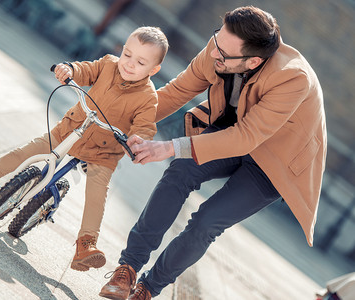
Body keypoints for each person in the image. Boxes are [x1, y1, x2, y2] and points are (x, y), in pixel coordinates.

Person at [100, 6, 326, 300]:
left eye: (223, 52)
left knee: (208, 221)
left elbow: (247, 137)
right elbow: (176, 92)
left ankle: (148, 288)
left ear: (253, 60)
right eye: (216, 40)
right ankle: (128, 268)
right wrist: (119, 115)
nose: (213, 52)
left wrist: (169, 147)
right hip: (232, 131)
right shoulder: (222, 46)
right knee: (179, 171)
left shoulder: (293, 78)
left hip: (275, 160)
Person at [0, 26, 169, 272]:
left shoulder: (148, 97)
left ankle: (85, 244)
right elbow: (86, 70)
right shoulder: (109, 64)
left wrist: (139, 140)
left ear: (153, 70)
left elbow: (145, 125)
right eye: (127, 54)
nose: (129, 64)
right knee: (30, 150)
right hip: (72, 128)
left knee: (97, 194)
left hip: (104, 151)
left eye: (140, 62)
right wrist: (70, 69)